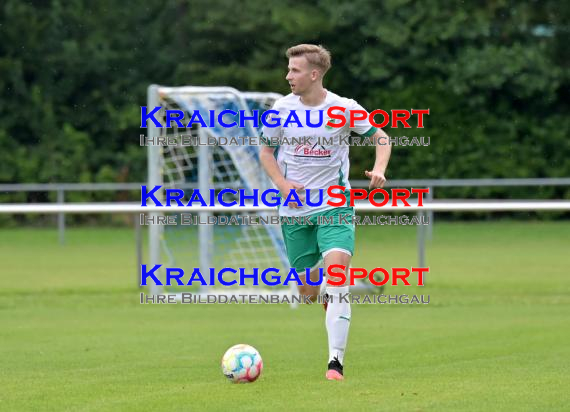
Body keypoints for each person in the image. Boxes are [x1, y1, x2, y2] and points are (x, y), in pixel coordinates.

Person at [259, 44, 391, 381]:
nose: (288, 76)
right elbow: (265, 150)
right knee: (307, 292)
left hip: (335, 206)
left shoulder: (344, 108)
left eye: (295, 70)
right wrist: (282, 183)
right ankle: (334, 295)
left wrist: (379, 169)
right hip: (294, 212)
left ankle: (335, 362)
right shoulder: (281, 108)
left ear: (314, 74)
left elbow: (381, 137)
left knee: (336, 276)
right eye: (288, 69)